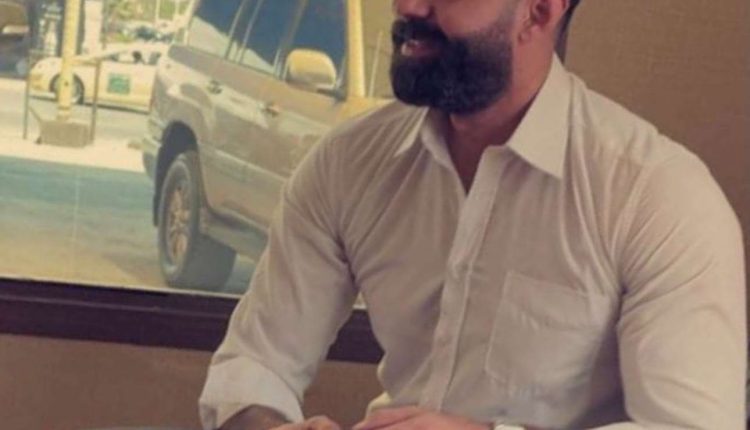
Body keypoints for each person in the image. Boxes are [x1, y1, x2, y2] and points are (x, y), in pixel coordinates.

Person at [199, 0, 747, 429]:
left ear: (538, 11)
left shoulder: (658, 196)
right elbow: (254, 363)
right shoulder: (347, 165)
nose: (408, 7)